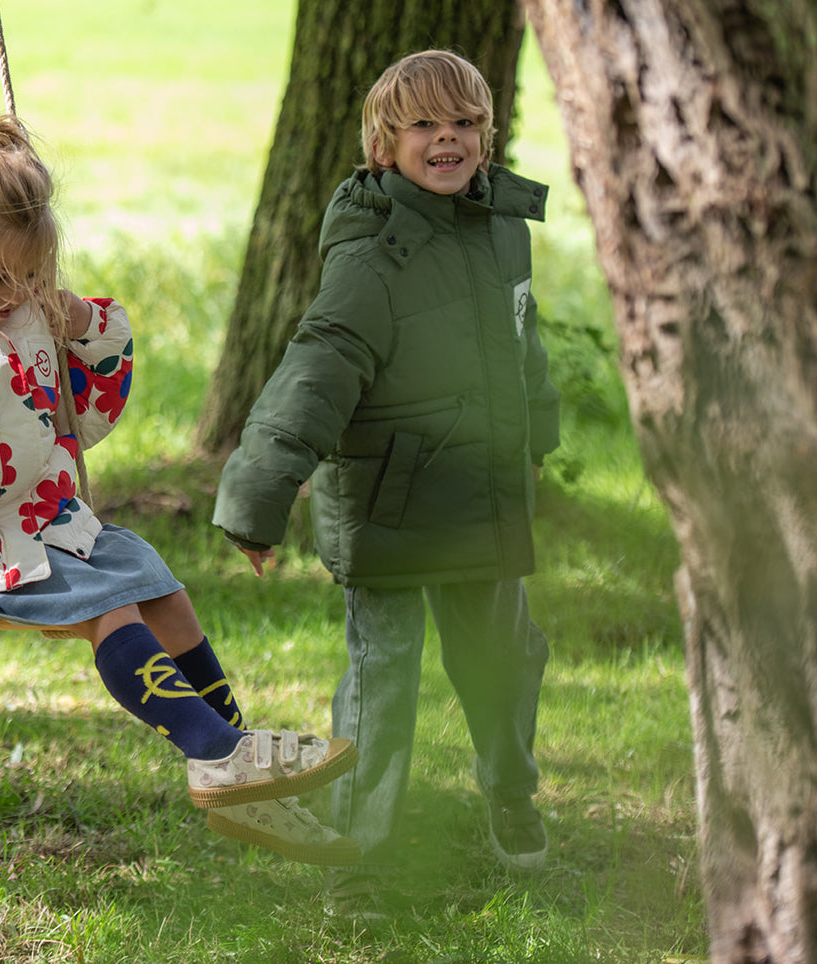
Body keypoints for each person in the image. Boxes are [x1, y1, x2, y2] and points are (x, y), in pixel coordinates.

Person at [0, 114, 359, 867]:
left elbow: (85, 418)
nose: (16, 293)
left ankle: (239, 775)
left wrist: (85, 326)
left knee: (163, 594)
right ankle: (217, 749)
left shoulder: (25, 314)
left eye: (34, 276)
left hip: (39, 526)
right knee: (111, 609)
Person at [212, 50, 560, 913]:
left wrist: (537, 427)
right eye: (425, 127)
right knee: (380, 688)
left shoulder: (500, 226)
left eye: (465, 124)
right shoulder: (373, 251)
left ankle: (509, 793)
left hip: (481, 494)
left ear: (486, 132)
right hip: (388, 504)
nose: (448, 140)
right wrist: (260, 497)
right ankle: (360, 859)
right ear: (383, 144)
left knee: (504, 662)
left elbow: (522, 338)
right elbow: (320, 366)